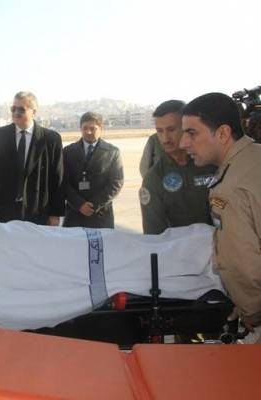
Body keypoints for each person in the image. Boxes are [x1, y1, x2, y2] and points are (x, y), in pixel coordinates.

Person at [180, 92, 261, 334]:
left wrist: (251, 311)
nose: (183, 143)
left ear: (223, 133)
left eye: (192, 133)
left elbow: (241, 265)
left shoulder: (230, 188)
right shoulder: (255, 157)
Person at [0, 91, 65, 225]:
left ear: (33, 111)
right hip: (4, 210)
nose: (15, 113)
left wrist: (55, 213)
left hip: (38, 210)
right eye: (13, 109)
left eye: (21, 109)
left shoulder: (51, 139)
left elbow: (57, 178)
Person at [140, 100, 216, 234]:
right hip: (177, 247)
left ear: (187, 128)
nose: (165, 139)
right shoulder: (154, 178)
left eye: (171, 130)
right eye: (159, 131)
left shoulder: (213, 164)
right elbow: (154, 235)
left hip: (219, 244)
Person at [63, 112, 123, 228]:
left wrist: (94, 205)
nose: (88, 132)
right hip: (74, 214)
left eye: (93, 128)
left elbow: (116, 182)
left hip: (101, 215)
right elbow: (64, 182)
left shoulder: (112, 152)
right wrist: (80, 204)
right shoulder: (68, 151)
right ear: (80, 129)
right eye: (85, 128)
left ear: (101, 129)